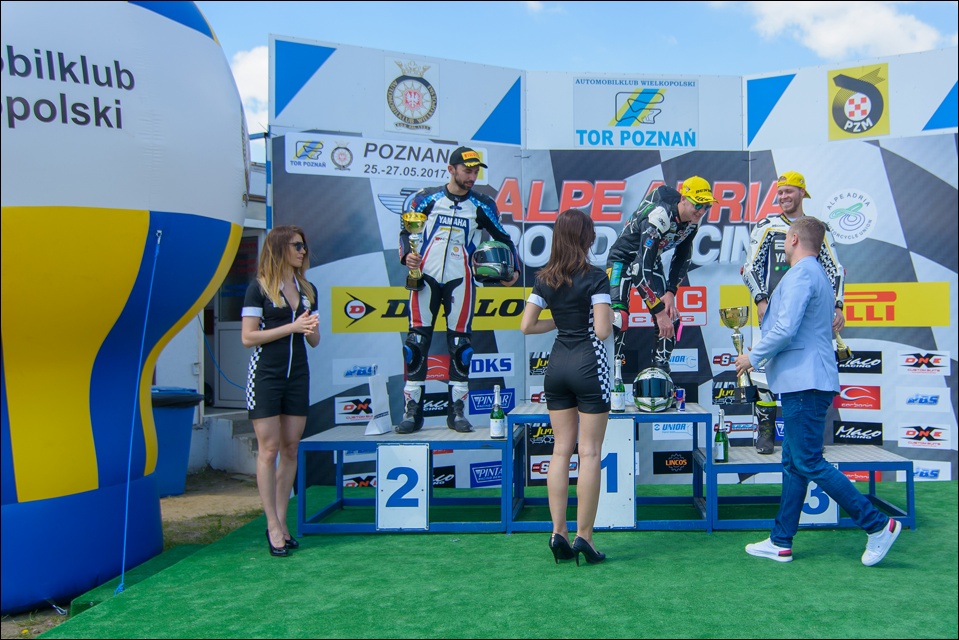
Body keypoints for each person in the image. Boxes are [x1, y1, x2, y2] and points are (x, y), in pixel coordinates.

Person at [735, 216, 901, 566]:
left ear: (794, 239)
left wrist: (753, 356)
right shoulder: (816, 274)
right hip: (805, 381)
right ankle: (781, 541)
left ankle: (877, 525)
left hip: (805, 383)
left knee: (808, 461)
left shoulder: (801, 275)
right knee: (794, 463)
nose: (782, 243)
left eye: (785, 237)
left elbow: (785, 329)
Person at [397, 146, 520, 434]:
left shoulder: (482, 204)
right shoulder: (425, 199)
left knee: (461, 347)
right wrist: (407, 257)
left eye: (475, 172)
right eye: (467, 171)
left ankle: (457, 412)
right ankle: (412, 412)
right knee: (415, 344)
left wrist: (512, 270)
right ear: (451, 169)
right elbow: (405, 234)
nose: (472, 177)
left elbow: (504, 238)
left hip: (461, 279)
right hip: (425, 277)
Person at [520, 208, 613, 566]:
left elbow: (527, 326)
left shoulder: (545, 278)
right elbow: (602, 331)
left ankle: (557, 531)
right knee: (589, 453)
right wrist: (613, 316)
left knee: (560, 451)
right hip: (589, 365)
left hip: (557, 365)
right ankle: (584, 537)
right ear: (586, 237)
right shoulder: (596, 277)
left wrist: (559, 324)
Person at [741, 171, 846, 454]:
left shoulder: (816, 228)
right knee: (763, 372)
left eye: (789, 191)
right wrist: (761, 301)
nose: (784, 196)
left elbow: (835, 268)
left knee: (805, 372)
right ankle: (765, 431)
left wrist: (837, 304)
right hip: (772, 310)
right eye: (780, 192)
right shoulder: (766, 225)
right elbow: (749, 267)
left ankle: (808, 438)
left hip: (808, 310)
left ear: (802, 193)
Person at [241, 225, 320, 557]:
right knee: (269, 449)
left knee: (290, 449)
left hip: (297, 375)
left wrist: (309, 328)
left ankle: (282, 521)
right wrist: (292, 326)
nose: (303, 251)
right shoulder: (258, 288)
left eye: (304, 246)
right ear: (279, 248)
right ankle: (271, 525)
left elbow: (314, 340)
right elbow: (248, 337)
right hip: (266, 376)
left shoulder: (308, 289)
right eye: (297, 245)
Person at [606, 176, 717, 372]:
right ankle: (612, 373)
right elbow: (639, 270)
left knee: (671, 316)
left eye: (707, 206)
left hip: (650, 260)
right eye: (698, 204)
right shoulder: (660, 216)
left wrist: (670, 292)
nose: (701, 211)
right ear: (684, 199)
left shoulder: (693, 221)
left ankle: (660, 375)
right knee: (618, 317)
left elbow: (682, 257)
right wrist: (658, 313)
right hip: (622, 260)